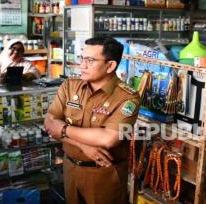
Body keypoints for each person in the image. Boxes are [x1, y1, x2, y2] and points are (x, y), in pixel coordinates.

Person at [44, 37, 140, 204]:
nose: (82, 65)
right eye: (82, 58)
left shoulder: (127, 97)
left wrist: (64, 129)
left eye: (90, 60)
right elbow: (49, 123)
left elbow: (109, 138)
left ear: (110, 66)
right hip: (70, 168)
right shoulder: (70, 86)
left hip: (104, 175)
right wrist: (83, 145)